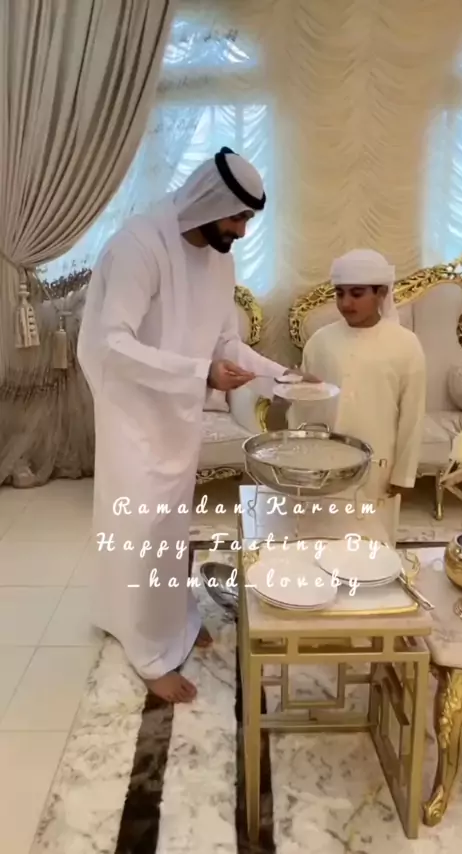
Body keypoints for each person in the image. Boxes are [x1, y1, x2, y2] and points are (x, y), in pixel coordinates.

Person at [77, 147, 311, 703]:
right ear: (210, 201)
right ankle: (148, 650)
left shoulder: (218, 257)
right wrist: (200, 371)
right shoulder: (139, 246)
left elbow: (225, 340)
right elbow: (112, 342)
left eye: (248, 219)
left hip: (177, 412)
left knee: (169, 527)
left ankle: (171, 621)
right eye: (237, 217)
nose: (242, 231)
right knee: (142, 529)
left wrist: (284, 378)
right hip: (133, 415)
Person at [301, 248, 426, 500]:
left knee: (371, 523)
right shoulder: (320, 341)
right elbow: (304, 406)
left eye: (357, 294)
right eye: (340, 293)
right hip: (323, 464)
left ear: (381, 293)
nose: (346, 303)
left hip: (377, 466)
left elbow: (412, 416)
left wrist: (402, 476)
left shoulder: (406, 344)